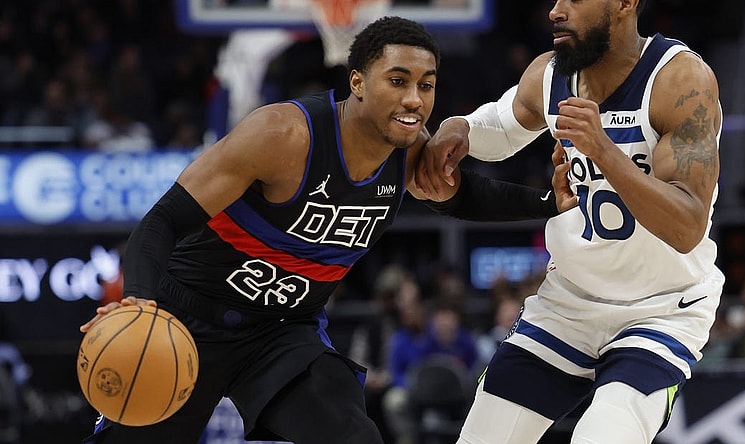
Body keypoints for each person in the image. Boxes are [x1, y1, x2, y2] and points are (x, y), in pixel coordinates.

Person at [78, 16, 576, 444]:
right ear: (357, 81)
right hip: (188, 320)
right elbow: (160, 222)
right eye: (398, 80)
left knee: (350, 432)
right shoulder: (282, 135)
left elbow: (460, 194)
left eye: (426, 85)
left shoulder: (407, 152)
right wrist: (141, 303)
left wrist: (546, 201)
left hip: (282, 333)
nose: (414, 99)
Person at [415, 0, 724, 443]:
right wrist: (460, 127)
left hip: (660, 311)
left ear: (624, 4)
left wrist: (605, 152)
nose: (555, 11)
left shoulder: (679, 80)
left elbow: (687, 227)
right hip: (569, 304)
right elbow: (503, 125)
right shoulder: (551, 73)